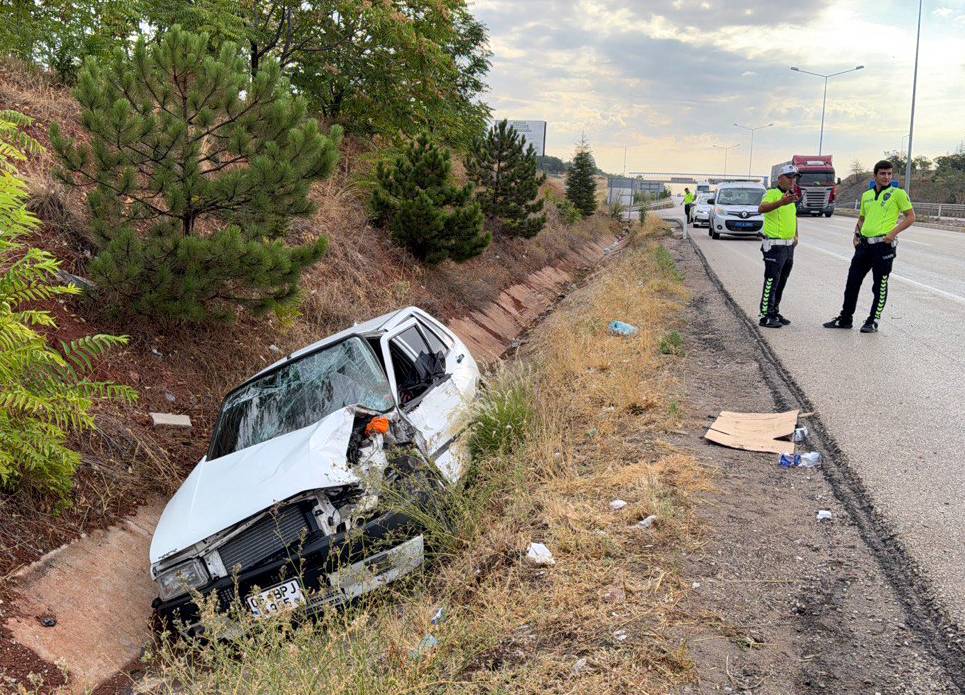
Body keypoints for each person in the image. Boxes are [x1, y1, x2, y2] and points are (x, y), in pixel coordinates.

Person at [823, 160, 916, 333]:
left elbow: (911, 217)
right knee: (852, 282)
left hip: (884, 247)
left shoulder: (898, 194)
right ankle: (845, 318)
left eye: (889, 173)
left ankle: (873, 320)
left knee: (879, 285)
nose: (886, 177)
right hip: (864, 246)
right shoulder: (867, 195)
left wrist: (892, 234)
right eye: (882, 173)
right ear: (875, 176)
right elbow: (862, 218)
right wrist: (856, 235)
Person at [756, 164, 801, 328]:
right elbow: (761, 209)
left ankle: (774, 311)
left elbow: (793, 217)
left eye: (794, 177)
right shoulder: (772, 193)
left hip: (788, 246)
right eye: (789, 177)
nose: (793, 180)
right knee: (771, 281)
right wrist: (781, 202)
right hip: (774, 246)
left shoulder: (791, 197)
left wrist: (796, 235)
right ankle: (765, 315)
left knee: (782, 280)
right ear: (780, 178)